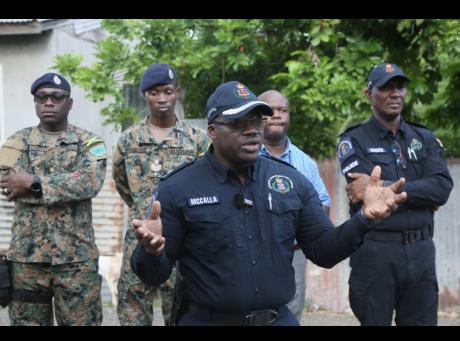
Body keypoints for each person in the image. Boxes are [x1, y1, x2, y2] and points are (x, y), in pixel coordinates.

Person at [129, 80, 407, 326]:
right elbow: (153, 275)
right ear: (212, 130)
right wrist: (150, 252)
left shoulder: (291, 181)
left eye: (256, 121)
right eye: (238, 123)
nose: (251, 130)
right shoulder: (179, 187)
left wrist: (363, 220)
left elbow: (323, 250)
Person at [338, 63, 454, 326]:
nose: (395, 93)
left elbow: (442, 187)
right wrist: (420, 192)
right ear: (369, 93)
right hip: (375, 252)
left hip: (421, 252)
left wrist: (394, 190)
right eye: (386, 87)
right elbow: (364, 192)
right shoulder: (353, 140)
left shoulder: (423, 137)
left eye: (399, 86)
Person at [0, 73, 107, 325]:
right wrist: (61, 189)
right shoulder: (17, 141)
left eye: (56, 98)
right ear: (35, 103)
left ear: (68, 103)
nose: (49, 102)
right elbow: (8, 184)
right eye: (42, 98)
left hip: (76, 261)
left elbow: (90, 183)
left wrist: (33, 183)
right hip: (28, 261)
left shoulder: (88, 142)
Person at [113, 63, 209, 326]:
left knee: (180, 312)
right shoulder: (128, 139)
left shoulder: (197, 140)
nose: (162, 98)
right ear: (145, 95)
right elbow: (122, 183)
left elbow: (207, 183)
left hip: (183, 243)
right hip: (138, 239)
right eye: (154, 92)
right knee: (133, 312)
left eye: (168, 91)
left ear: (177, 92)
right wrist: (142, 206)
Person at [258, 90, 331, 322]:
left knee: (291, 311)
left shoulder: (305, 163)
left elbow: (323, 204)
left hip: (294, 253)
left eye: (283, 110)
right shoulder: (245, 156)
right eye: (270, 111)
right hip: (252, 251)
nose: (277, 116)